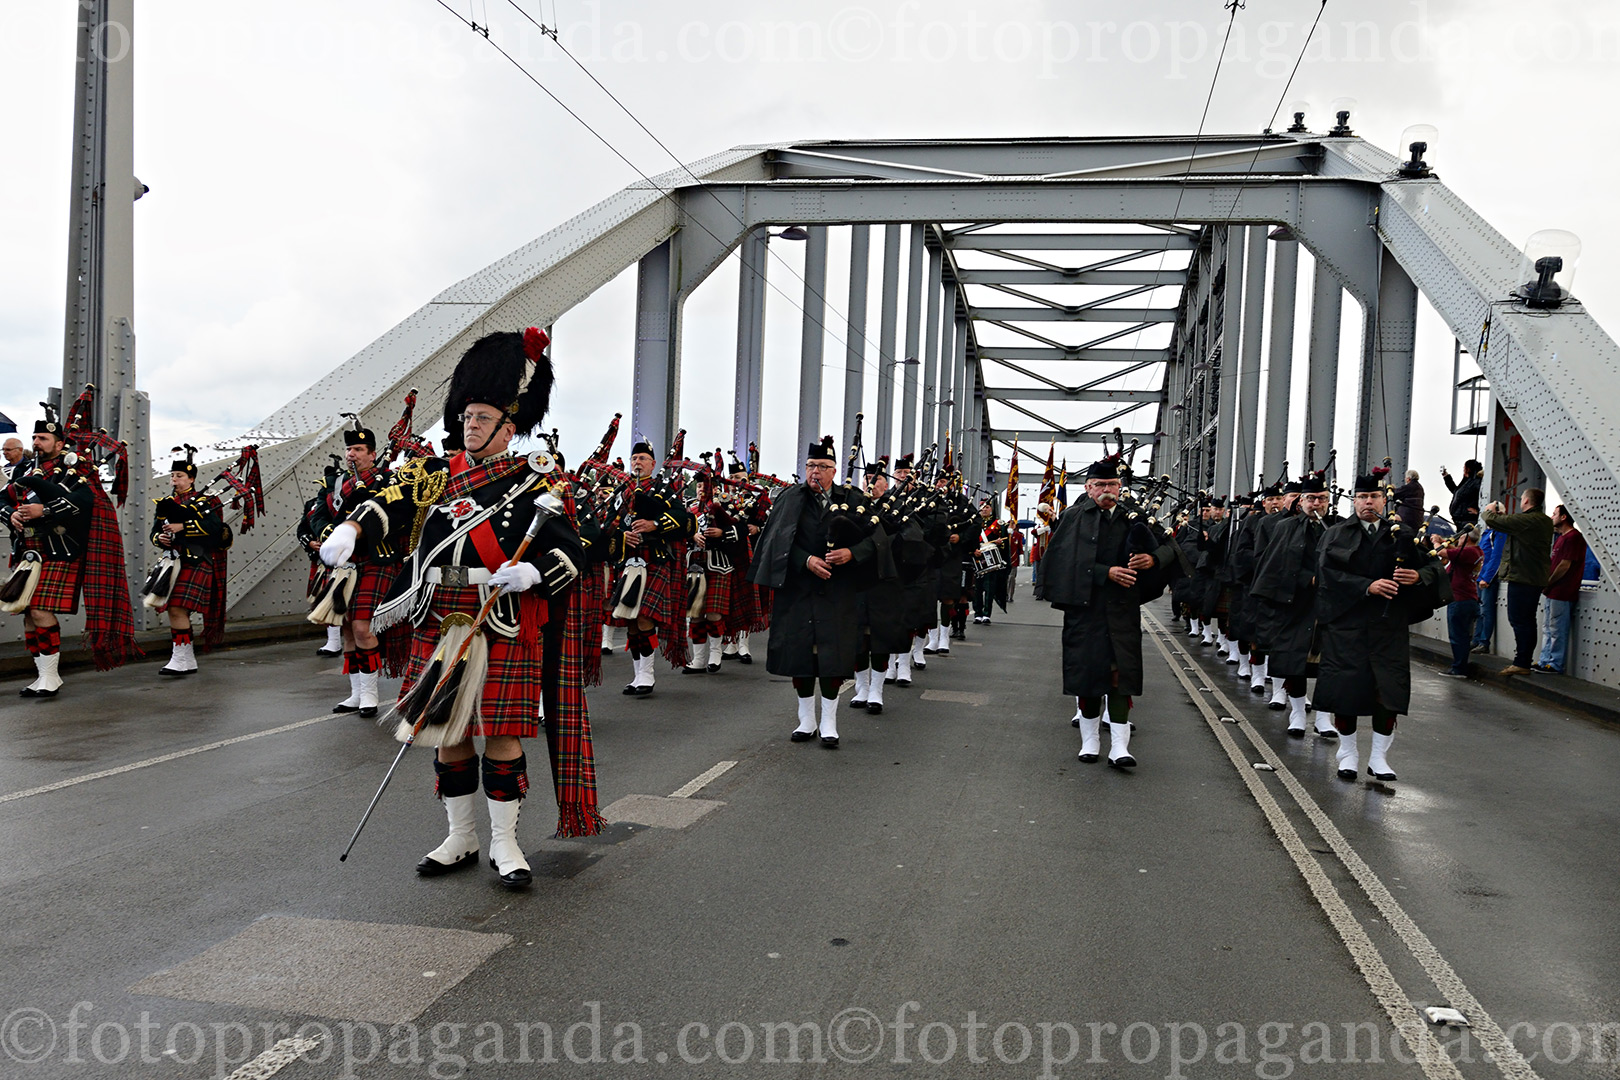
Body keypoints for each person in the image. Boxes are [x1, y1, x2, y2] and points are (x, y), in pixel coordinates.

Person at [320, 328, 595, 887]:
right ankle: (460, 836)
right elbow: (388, 501)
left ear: (508, 428)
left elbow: (575, 548)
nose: (470, 424)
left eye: (483, 417)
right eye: (467, 415)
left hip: (501, 614)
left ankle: (504, 842)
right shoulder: (434, 476)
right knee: (446, 732)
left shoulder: (535, 482)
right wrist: (352, 527)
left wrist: (535, 572)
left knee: (501, 733)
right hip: (440, 612)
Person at [1041, 453, 1177, 768]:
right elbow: (1062, 562)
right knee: (1089, 676)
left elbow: (1171, 548)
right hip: (1085, 611)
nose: (1107, 490)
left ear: (1119, 487)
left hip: (1122, 610)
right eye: (1100, 484)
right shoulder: (1074, 517)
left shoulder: (1134, 515)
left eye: (1113, 484)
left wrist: (1153, 559)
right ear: (1088, 487)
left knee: (1119, 676)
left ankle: (1119, 746)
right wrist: (1106, 572)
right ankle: (1090, 741)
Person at [1314, 473, 1448, 782]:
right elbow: (1326, 577)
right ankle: (1348, 753)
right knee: (1346, 692)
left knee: (1387, 692)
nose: (1368, 503)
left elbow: (1433, 566)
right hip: (1347, 626)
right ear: (1354, 501)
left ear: (1383, 501)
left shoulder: (1402, 534)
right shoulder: (1336, 534)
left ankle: (1378, 758)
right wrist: (1367, 586)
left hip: (1389, 628)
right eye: (1362, 497)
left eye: (1374, 497)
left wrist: (1419, 577)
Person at [2, 400, 140, 697]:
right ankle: (42, 675)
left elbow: (87, 502)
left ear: (59, 442)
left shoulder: (77, 467)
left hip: (61, 548)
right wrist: (10, 514)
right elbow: (3, 499)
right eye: (34, 438)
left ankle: (51, 676)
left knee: (39, 609)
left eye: (43, 438)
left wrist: (45, 511)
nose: (36, 443)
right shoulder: (26, 469)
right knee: (27, 613)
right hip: (29, 550)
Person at [746, 437, 877, 748]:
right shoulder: (790, 498)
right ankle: (806, 719)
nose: (815, 471)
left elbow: (876, 540)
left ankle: (829, 721)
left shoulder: (854, 499)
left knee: (832, 656)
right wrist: (806, 560)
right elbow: (776, 541)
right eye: (810, 465)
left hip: (838, 591)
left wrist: (851, 553)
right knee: (800, 655)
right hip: (798, 590)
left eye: (822, 466)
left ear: (834, 470)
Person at [305, 421, 406, 714]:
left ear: (372, 454)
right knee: (347, 628)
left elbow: (398, 518)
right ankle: (356, 694)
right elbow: (317, 517)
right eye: (349, 449)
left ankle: (371, 694)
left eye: (359, 449)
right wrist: (331, 534)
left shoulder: (389, 481)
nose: (352, 454)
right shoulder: (333, 484)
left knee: (362, 627)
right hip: (344, 562)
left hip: (376, 558)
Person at [1250, 474, 1336, 736]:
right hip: (1295, 603)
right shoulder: (1285, 527)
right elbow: (1274, 565)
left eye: (1322, 499)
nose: (1317, 504)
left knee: (1329, 663)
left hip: (1330, 606)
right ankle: (1297, 712)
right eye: (1311, 498)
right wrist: (1306, 579)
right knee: (1294, 661)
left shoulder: (1338, 527)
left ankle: (1323, 718)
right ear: (1302, 501)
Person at [609, 442, 693, 696]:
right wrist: (622, 536)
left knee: (644, 615)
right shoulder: (622, 491)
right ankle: (638, 675)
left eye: (643, 458)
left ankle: (648, 674)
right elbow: (610, 523)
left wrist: (654, 524)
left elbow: (684, 519)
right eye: (634, 458)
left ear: (653, 464)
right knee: (630, 618)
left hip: (654, 558)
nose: (637, 462)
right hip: (628, 560)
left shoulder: (664, 489)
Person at [148, 447, 232, 677]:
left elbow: (216, 529)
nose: (174, 480)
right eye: (172, 476)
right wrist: (160, 538)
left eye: (180, 476)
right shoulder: (165, 503)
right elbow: (154, 531)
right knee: (173, 609)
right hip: (173, 561)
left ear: (192, 479)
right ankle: (185, 659)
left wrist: (183, 527)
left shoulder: (206, 501)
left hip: (197, 559)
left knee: (176, 607)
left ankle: (181, 658)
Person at [1481, 488, 1553, 676]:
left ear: (1527, 501)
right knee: (1527, 620)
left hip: (1523, 577)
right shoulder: (1543, 521)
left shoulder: (1529, 520)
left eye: (1522, 498)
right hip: (1534, 577)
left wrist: (1488, 510)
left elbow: (1491, 520)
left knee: (1519, 620)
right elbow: (1512, 524)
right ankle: (1523, 661)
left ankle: (1522, 662)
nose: (1520, 501)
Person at [1536, 505, 1587, 674]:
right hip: (1553, 591)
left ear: (1564, 517)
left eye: (1554, 514)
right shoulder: (1561, 538)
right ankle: (1545, 661)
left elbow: (1565, 565)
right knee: (1548, 628)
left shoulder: (1573, 538)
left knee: (1557, 629)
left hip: (1562, 591)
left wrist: (1548, 582)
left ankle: (1555, 663)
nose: (1552, 517)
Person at [1437, 527, 1482, 678]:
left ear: (1466, 538)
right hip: (1468, 598)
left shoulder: (1468, 552)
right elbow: (1455, 552)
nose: (1458, 539)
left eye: (1461, 537)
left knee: (1458, 636)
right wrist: (1445, 542)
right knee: (1462, 634)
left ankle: (1459, 668)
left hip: (1460, 599)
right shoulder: (1476, 551)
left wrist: (1436, 542)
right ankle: (1460, 666)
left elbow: (1442, 553)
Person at [972, 500, 1012, 625]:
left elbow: (1004, 544)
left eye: (987, 507)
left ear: (991, 509)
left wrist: (999, 543)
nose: (984, 509)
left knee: (989, 588)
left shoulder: (998, 525)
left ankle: (986, 614)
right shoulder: (973, 523)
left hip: (991, 560)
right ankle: (977, 614)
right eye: (982, 507)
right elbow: (969, 539)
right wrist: (973, 550)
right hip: (977, 559)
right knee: (977, 589)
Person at [1471, 523, 1504, 653]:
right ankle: (1477, 639)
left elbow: (1496, 556)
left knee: (1485, 610)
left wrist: (1487, 577)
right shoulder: (1487, 533)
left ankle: (1483, 642)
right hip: (1481, 576)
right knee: (1480, 611)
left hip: (1486, 578)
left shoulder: (1498, 533)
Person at [1441, 460, 1482, 530]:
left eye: (1464, 468)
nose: (1463, 470)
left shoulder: (1476, 482)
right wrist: (1446, 477)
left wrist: (1478, 512)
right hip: (1461, 521)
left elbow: (1482, 496)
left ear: (1468, 469)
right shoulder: (1468, 482)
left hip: (1468, 521)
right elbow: (1456, 491)